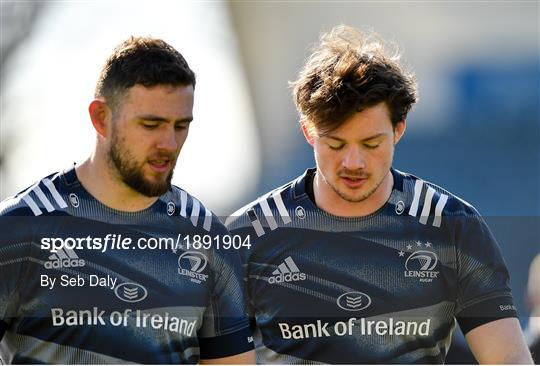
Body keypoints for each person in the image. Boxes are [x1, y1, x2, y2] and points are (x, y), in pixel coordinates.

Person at [226, 25, 533, 364]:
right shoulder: (248, 235)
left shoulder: (454, 227)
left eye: (371, 144)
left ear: (398, 129)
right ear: (308, 132)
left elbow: (509, 360)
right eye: (336, 144)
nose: (353, 162)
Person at [0, 37, 254, 364]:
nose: (169, 143)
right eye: (151, 125)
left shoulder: (209, 239)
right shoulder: (18, 231)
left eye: (181, 126)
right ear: (101, 118)